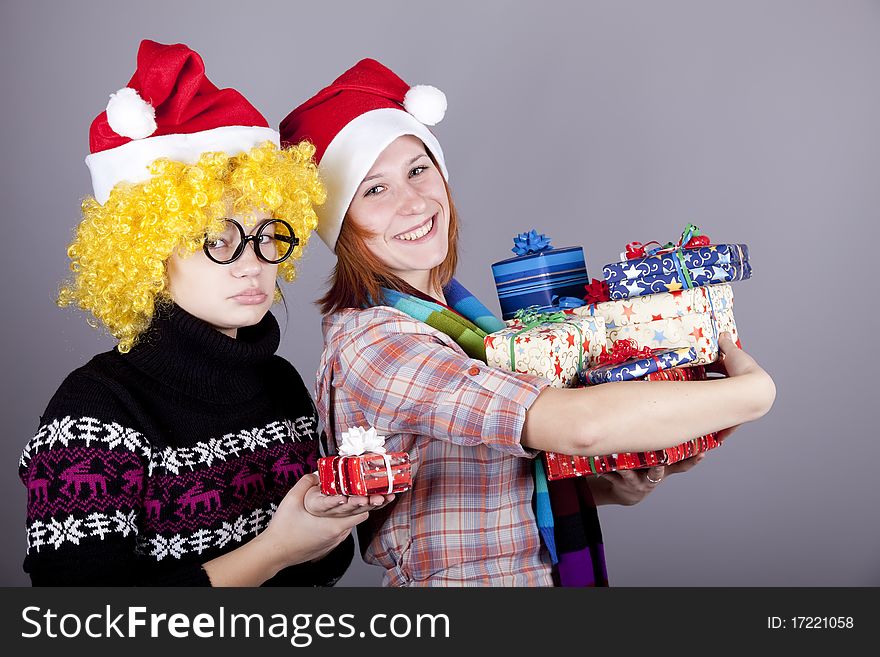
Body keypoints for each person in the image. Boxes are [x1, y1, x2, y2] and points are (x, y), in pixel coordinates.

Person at [279, 59, 776, 586]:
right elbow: (577, 426)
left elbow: (497, 487)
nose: (413, 202)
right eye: (373, 190)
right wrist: (754, 393)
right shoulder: (375, 342)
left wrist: (613, 485)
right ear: (342, 226)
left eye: (418, 170)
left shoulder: (462, 320)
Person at [18, 40, 392, 586]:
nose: (252, 265)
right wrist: (276, 549)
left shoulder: (281, 384)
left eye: (269, 236)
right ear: (146, 251)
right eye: (218, 240)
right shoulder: (93, 410)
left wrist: (319, 523)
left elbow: (323, 569)